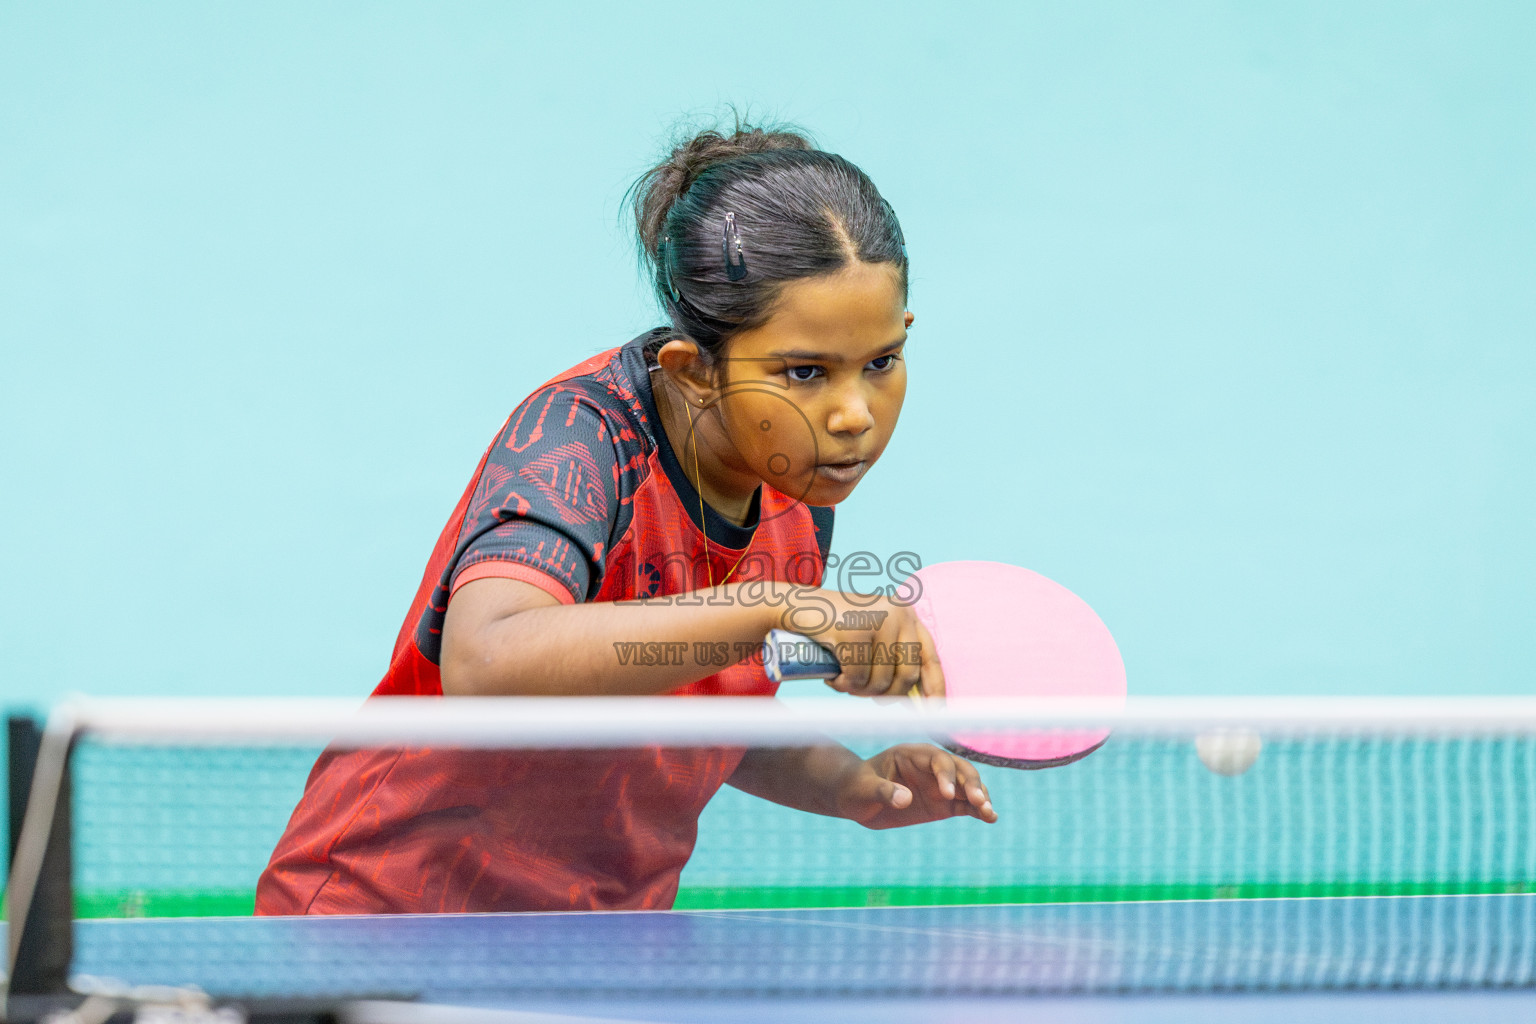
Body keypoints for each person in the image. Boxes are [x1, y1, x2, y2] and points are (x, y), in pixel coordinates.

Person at [255, 120, 996, 916]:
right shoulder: (582, 440)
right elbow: (488, 661)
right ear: (695, 372)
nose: (854, 413)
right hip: (390, 921)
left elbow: (703, 704)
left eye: (881, 361)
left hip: (597, 938)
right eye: (805, 372)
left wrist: (853, 784)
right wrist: (771, 608)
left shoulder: (798, 500)